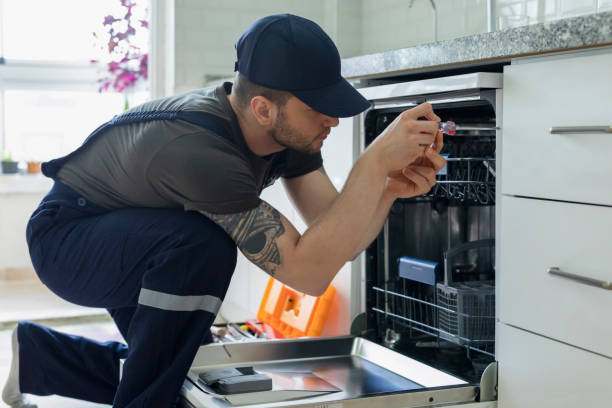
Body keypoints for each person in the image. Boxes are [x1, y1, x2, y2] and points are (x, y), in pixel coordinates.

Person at [2, 13, 445, 408]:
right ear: (263, 108)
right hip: (68, 241)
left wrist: (384, 189)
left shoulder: (286, 135)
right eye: (319, 108)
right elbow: (307, 273)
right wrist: (371, 163)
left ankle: (41, 358)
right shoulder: (203, 153)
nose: (333, 119)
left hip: (133, 233)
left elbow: (335, 241)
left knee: (178, 363)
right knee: (204, 249)